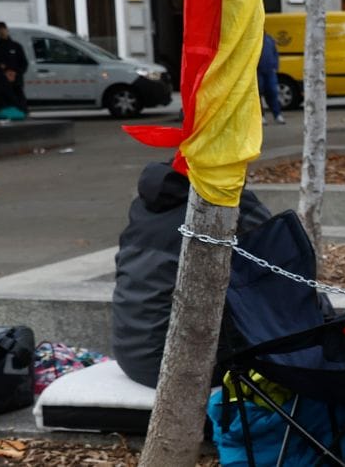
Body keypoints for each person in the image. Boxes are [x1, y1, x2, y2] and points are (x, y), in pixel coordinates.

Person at [111, 161, 271, 387]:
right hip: (183, 365)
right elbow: (280, 273)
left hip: (131, 356)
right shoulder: (230, 205)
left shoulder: (144, 206)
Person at [0, 22, 28, 102]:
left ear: (7, 30)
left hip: (16, 81)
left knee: (18, 100)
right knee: (3, 101)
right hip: (0, 81)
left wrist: (16, 73)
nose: (2, 32)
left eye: (3, 29)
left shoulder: (16, 46)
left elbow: (24, 63)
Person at [257, 32, 284, 124]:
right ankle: (261, 116)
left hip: (269, 71)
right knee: (258, 94)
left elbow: (275, 53)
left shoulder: (269, 39)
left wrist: (275, 67)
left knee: (273, 92)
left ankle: (277, 115)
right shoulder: (255, 39)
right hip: (258, 71)